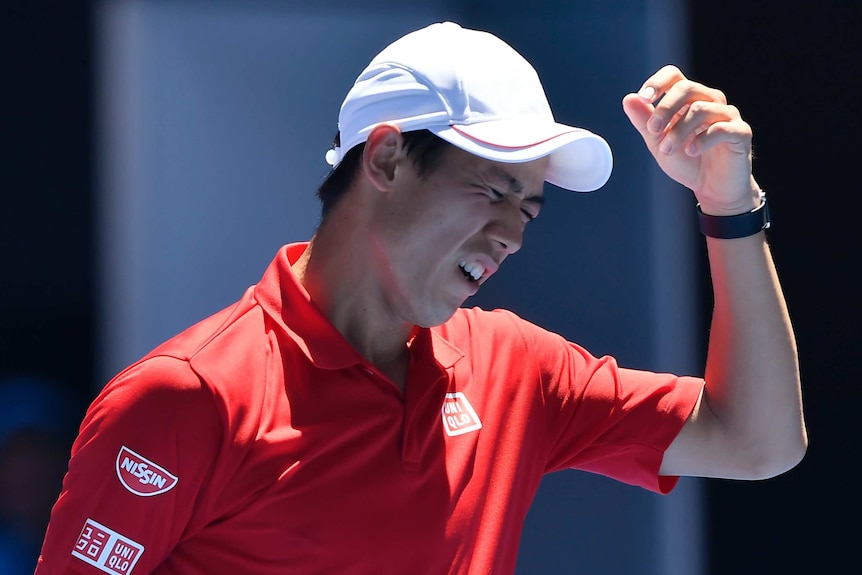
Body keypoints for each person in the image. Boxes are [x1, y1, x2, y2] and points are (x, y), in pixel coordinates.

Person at [35, 21, 806, 575]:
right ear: (388, 157)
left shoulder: (515, 366)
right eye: (495, 191)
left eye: (528, 209)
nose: (512, 234)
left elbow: (759, 440)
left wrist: (730, 205)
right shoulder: (186, 400)